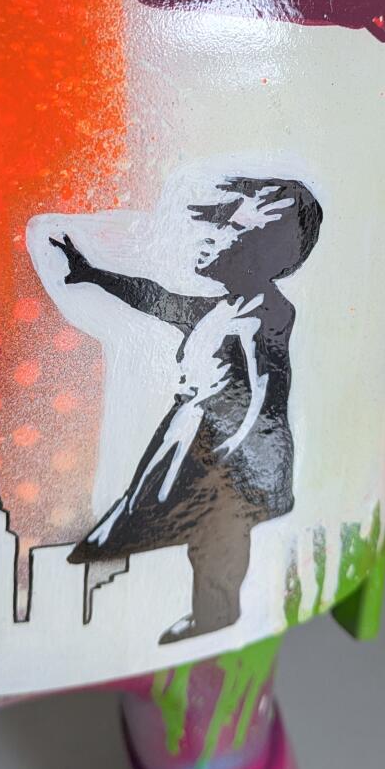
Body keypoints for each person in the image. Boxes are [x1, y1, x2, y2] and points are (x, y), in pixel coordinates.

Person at [53, 176, 322, 643]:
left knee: (219, 531)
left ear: (262, 254)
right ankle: (193, 613)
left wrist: (241, 456)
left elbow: (265, 392)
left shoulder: (263, 315)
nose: (211, 236)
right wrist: (93, 274)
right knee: (202, 528)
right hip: (194, 433)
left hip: (229, 446)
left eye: (230, 230)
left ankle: (214, 614)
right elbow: (158, 299)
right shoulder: (222, 309)